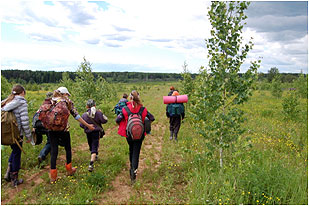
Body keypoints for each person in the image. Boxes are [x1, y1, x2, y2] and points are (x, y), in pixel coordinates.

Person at [48, 87, 95, 183]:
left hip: (51, 129)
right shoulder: (67, 102)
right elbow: (76, 116)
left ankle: (53, 176)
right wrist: (88, 125)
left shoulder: (50, 101)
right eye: (67, 94)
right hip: (63, 129)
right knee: (68, 148)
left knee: (54, 151)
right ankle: (69, 169)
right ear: (65, 94)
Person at [116, 90, 154, 183]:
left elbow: (118, 119)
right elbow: (152, 118)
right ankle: (134, 173)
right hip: (140, 134)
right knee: (136, 152)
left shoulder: (125, 109)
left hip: (129, 134)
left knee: (131, 149)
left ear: (130, 98)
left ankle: (131, 168)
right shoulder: (143, 109)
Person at [1, 85, 32, 187]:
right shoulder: (21, 103)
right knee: (17, 153)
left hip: (7, 133)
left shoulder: (7, 101)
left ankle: (8, 174)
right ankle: (14, 179)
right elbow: (25, 121)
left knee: (14, 151)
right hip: (17, 134)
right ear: (22, 92)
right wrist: (29, 136)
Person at [80, 99, 108, 172]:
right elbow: (105, 121)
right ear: (94, 105)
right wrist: (102, 113)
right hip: (96, 132)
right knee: (95, 145)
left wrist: (87, 127)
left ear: (87, 106)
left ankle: (95, 155)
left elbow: (81, 125)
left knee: (90, 144)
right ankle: (91, 163)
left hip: (88, 132)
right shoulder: (98, 113)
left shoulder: (84, 115)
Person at [37, 92, 53, 164]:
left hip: (40, 125)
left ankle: (45, 155)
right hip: (47, 126)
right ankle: (42, 155)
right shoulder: (52, 104)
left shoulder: (43, 104)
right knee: (50, 141)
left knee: (49, 141)